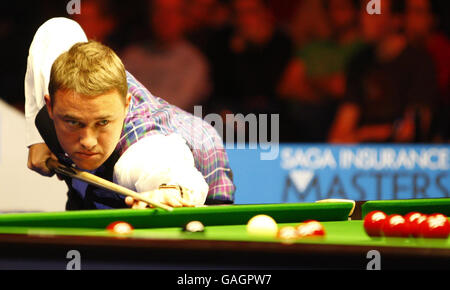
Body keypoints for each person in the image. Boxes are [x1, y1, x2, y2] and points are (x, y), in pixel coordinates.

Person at [25, 18, 235, 210]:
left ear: (126, 106)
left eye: (103, 122)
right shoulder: (55, 93)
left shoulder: (141, 152)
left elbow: (170, 169)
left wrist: (172, 191)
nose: (88, 142)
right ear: (50, 106)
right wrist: (36, 139)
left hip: (204, 168)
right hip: (92, 192)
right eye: (73, 122)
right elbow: (56, 30)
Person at [328, 0, 439, 143]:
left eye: (373, 12)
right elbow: (340, 131)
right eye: (364, 11)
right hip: (362, 156)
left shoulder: (420, 62)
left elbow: (412, 130)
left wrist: (362, 134)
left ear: (396, 20)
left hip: (405, 157)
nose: (364, 19)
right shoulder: (359, 62)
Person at [120, 0, 211, 113]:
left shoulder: (193, 63)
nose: (165, 19)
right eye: (159, 12)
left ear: (183, 18)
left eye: (171, 13)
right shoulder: (132, 57)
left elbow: (173, 106)